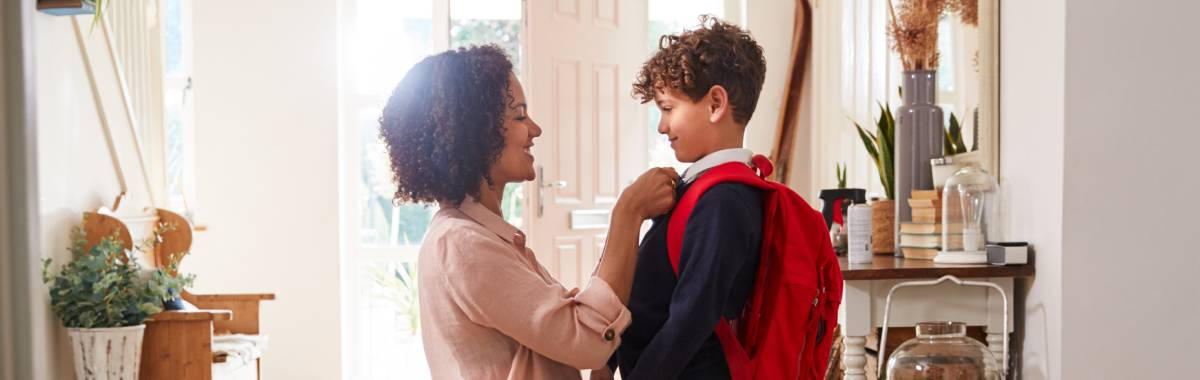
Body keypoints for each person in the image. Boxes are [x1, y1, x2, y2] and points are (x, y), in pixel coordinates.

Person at [377, 44, 678, 379]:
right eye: (519, 115)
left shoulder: (483, 236)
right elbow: (587, 342)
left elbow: (567, 333)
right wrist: (629, 212)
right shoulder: (463, 245)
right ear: (477, 132)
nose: (535, 130)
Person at [610, 16, 769, 379]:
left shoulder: (723, 201)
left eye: (667, 109)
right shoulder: (700, 190)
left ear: (715, 103)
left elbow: (690, 321)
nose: (662, 126)